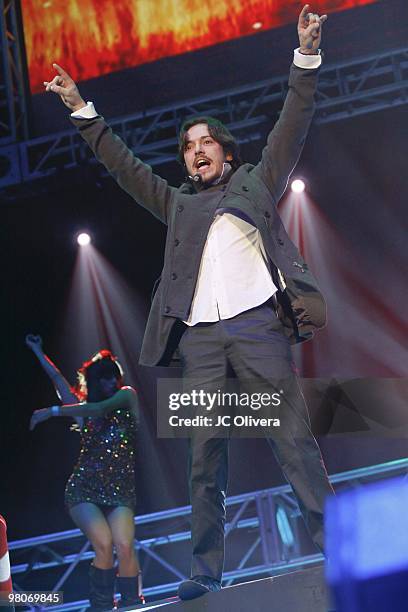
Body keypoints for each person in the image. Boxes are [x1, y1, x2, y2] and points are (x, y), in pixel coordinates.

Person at [43, 4, 335, 601]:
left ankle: (339, 549)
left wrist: (305, 54)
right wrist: (80, 108)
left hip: (258, 327)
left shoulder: (256, 181)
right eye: (188, 147)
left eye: (207, 143)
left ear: (226, 152)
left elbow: (293, 122)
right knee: (204, 459)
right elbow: (123, 165)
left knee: (292, 440)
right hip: (200, 337)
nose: (197, 151)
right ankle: (206, 572)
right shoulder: (176, 203)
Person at [26, 335, 144, 610]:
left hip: (120, 489)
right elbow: (59, 382)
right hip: (84, 488)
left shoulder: (127, 396)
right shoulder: (84, 412)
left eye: (113, 377)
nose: (110, 383)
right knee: (103, 544)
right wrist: (37, 350)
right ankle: (102, 606)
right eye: (104, 379)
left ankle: (132, 604)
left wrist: (53, 412)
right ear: (95, 382)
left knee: (125, 545)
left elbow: (101, 408)